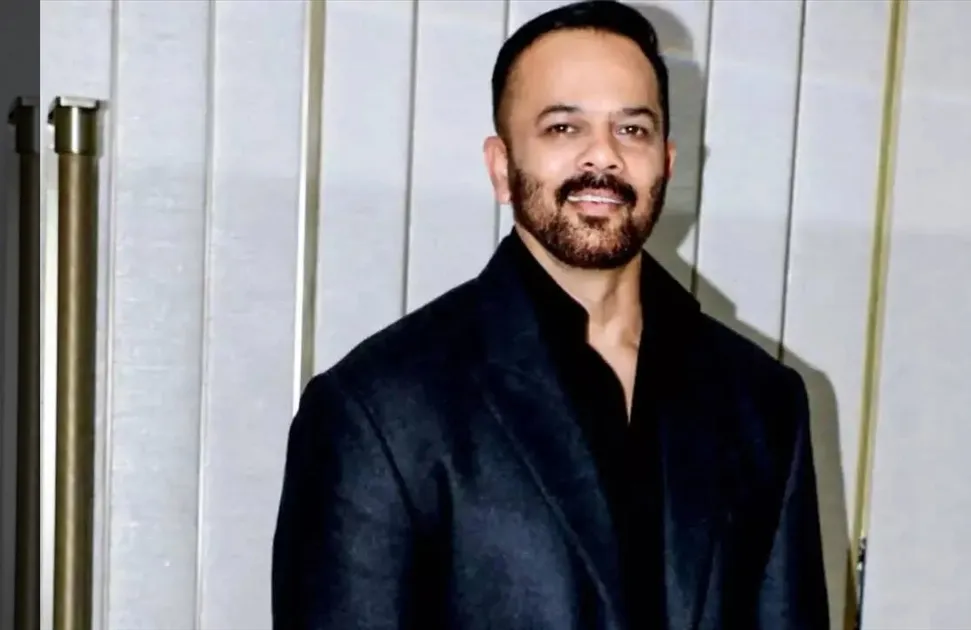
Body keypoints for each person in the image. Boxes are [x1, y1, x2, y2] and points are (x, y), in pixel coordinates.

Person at [270, 1, 828, 628]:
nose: (603, 157)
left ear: (667, 164)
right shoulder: (376, 411)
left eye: (632, 129)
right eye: (564, 128)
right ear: (501, 168)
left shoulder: (764, 402)